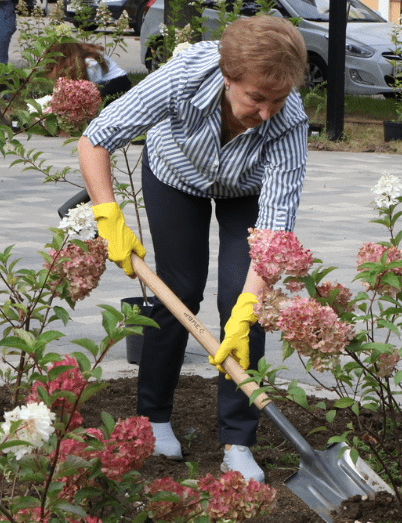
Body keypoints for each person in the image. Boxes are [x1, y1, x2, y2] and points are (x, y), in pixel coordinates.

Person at [77, 15, 308, 482]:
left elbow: (275, 227)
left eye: (277, 100)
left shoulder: (289, 120)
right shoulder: (185, 76)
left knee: (240, 305)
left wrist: (251, 301)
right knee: (177, 289)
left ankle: (238, 442)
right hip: (175, 174)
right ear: (228, 76)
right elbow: (96, 138)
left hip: (247, 192)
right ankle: (153, 419)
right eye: (256, 98)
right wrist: (107, 215)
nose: (267, 112)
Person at [43, 41, 132, 100]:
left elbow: (93, 88)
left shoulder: (90, 63)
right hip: (105, 83)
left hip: (117, 84)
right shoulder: (80, 55)